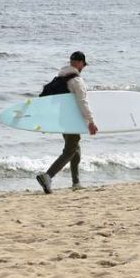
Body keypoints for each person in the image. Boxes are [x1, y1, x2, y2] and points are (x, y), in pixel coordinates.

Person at [35, 51, 97, 194]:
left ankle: (76, 182)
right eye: (83, 65)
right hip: (72, 120)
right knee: (70, 150)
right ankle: (47, 176)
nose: (83, 68)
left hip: (62, 119)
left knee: (75, 147)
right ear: (80, 63)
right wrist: (91, 121)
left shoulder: (61, 77)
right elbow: (82, 102)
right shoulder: (76, 81)